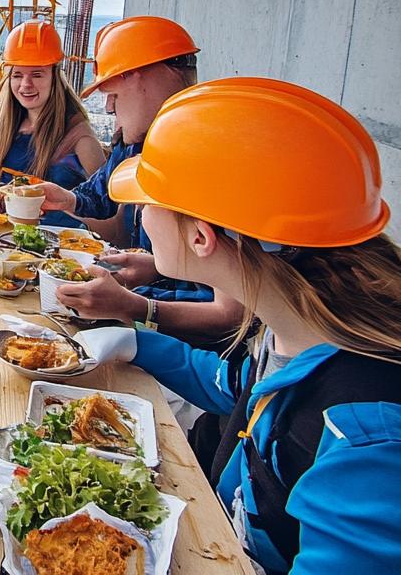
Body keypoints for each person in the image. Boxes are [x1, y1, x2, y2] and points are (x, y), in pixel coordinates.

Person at [76, 78, 401, 575]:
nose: (139, 212)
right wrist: (134, 344)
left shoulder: (368, 440)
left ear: (202, 236)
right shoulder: (298, 330)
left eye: (148, 199)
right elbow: (238, 389)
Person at [30, 16, 243, 342]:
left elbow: (231, 315)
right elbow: (102, 195)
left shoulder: (214, 158)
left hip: (199, 360)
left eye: (112, 90)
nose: (109, 106)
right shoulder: (137, 142)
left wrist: (138, 307)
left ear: (141, 76)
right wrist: (67, 199)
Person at [0, 19, 104, 227]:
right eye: (17, 75)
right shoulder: (3, 125)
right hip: (4, 240)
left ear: (55, 76)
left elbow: (107, 214)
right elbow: (8, 183)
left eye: (37, 74)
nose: (26, 85)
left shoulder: (79, 139)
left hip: (57, 250)